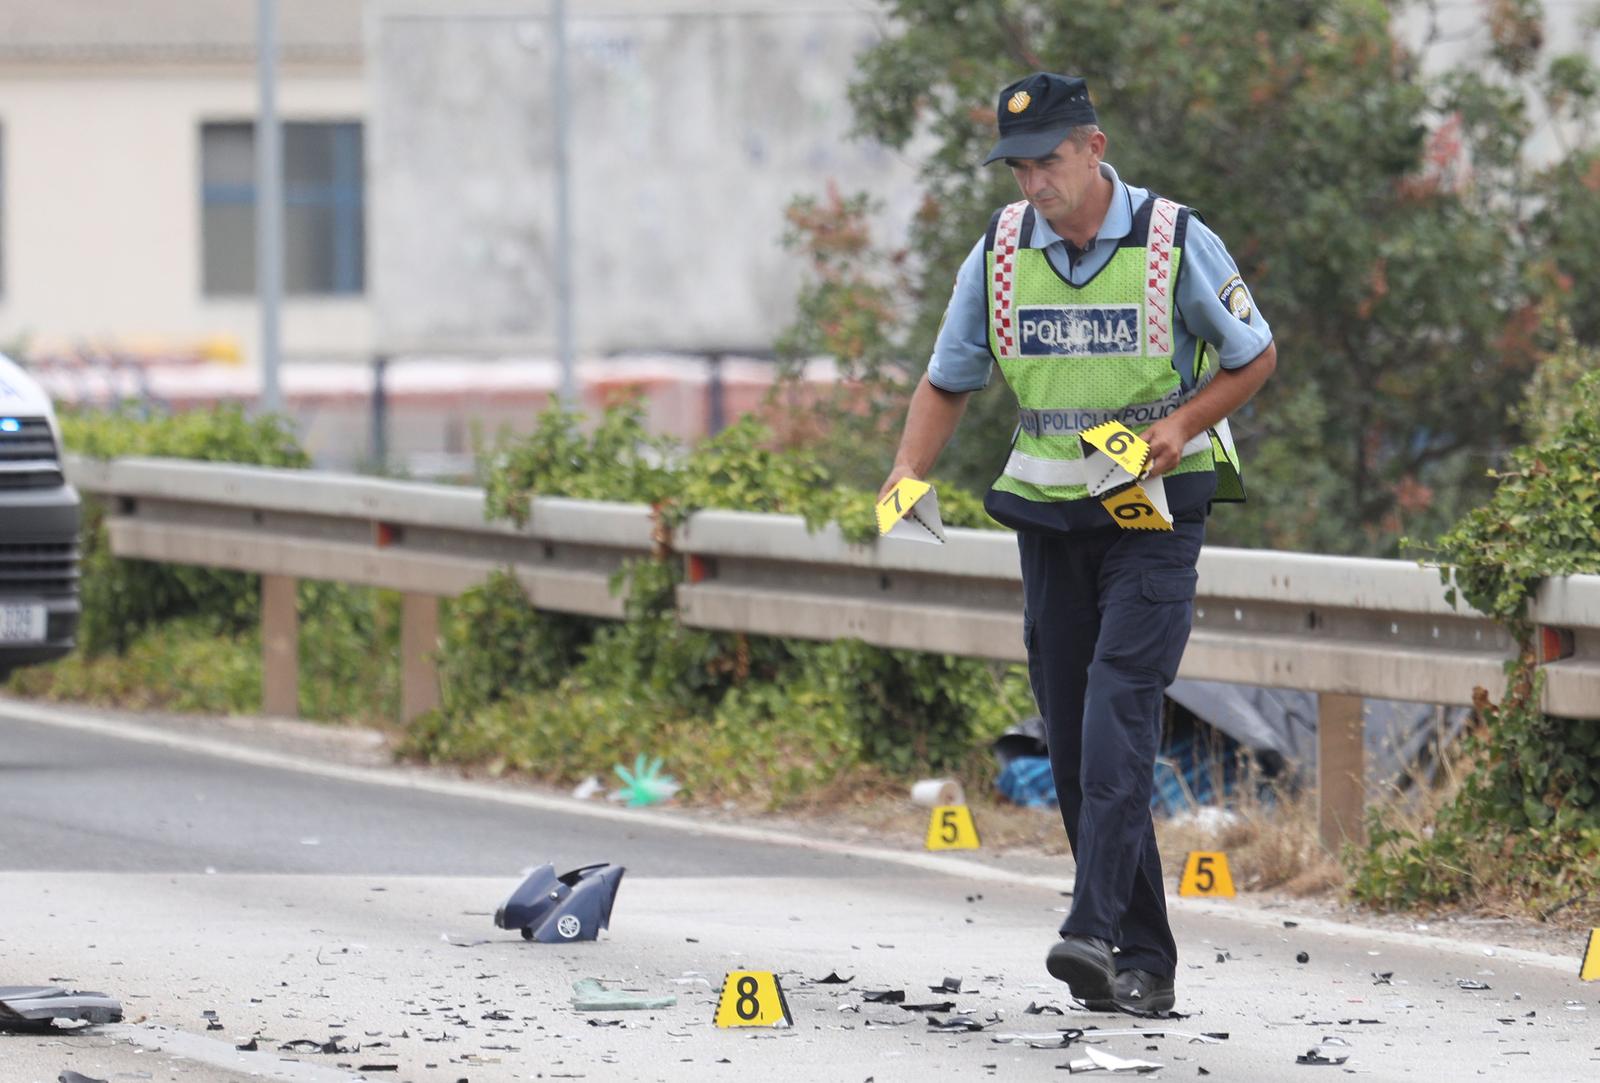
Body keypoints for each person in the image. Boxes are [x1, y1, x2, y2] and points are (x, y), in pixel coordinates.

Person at [879, 72, 1276, 1015]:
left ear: (1093, 147)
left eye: (1048, 160)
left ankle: (1091, 930)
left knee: (1115, 718)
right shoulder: (1001, 251)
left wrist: (1181, 425)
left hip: (1157, 510)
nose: (1033, 183)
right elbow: (949, 379)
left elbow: (1254, 353)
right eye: (1018, 166)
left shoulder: (1177, 239)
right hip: (1053, 515)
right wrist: (906, 476)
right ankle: (1141, 959)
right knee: (1069, 746)